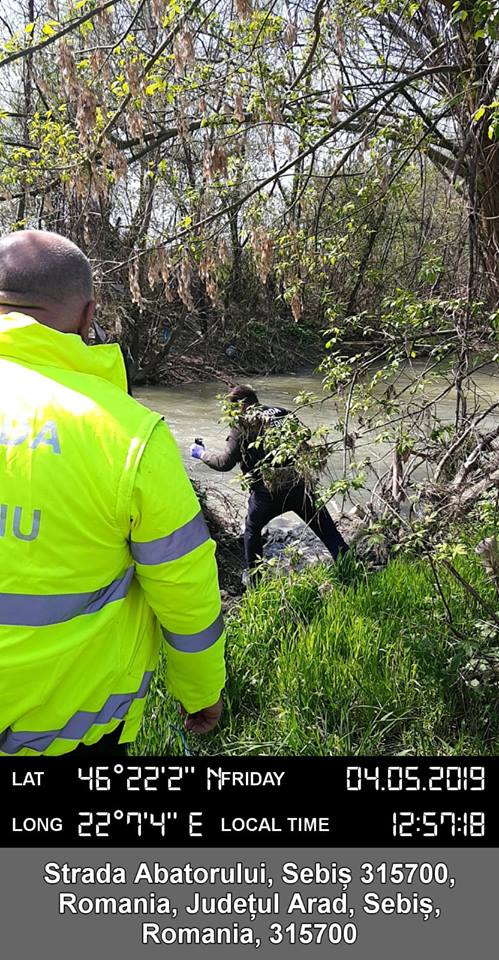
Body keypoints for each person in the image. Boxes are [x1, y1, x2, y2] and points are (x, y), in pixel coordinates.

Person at [0, 229, 224, 757]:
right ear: (86, 316)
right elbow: (185, 589)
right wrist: (200, 691)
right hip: (63, 735)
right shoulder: (130, 435)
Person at [190, 384, 348, 574]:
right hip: (298, 486)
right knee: (327, 530)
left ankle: (256, 583)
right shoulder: (283, 412)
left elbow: (224, 463)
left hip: (266, 494)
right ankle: (351, 570)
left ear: (239, 406)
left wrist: (201, 453)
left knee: (252, 531)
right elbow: (305, 436)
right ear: (255, 400)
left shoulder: (242, 424)